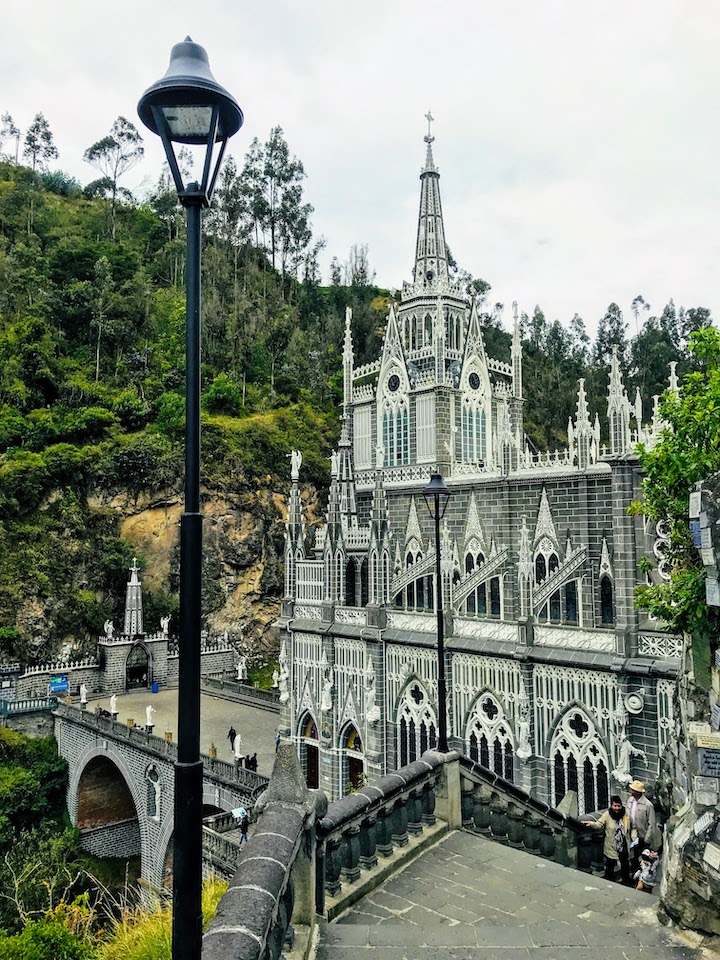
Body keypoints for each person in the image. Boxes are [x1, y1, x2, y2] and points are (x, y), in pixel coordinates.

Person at [583, 795, 634, 884]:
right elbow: (599, 824)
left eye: (619, 806)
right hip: (611, 846)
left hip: (624, 846)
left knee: (625, 866)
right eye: (615, 806)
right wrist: (591, 824)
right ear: (611, 806)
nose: (617, 808)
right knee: (610, 866)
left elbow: (632, 826)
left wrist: (633, 836)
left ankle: (626, 882)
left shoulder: (626, 814)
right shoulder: (607, 814)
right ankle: (609, 882)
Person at [627, 779, 656, 874]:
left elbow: (652, 824)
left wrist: (647, 840)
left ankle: (643, 877)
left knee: (644, 857)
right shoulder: (630, 801)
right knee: (633, 855)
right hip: (632, 833)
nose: (630, 791)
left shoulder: (648, 805)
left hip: (643, 835)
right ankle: (634, 874)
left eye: (632, 790)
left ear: (638, 792)